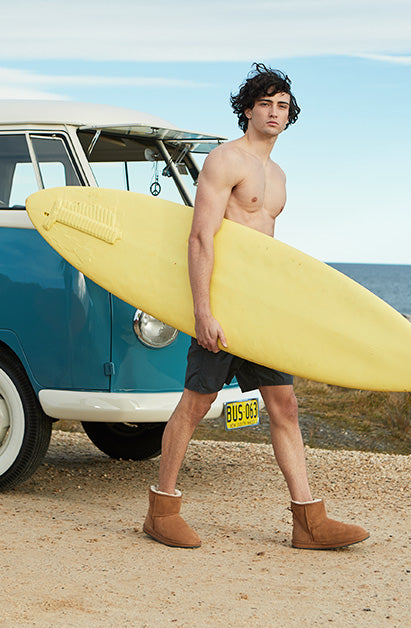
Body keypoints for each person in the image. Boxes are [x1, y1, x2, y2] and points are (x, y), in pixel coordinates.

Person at [143, 64, 369, 550]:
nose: (273, 112)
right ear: (247, 109)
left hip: (260, 309)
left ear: (290, 116)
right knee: (197, 403)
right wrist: (203, 311)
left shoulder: (279, 176)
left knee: (284, 405)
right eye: (264, 103)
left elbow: (265, 252)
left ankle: (308, 521)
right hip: (222, 304)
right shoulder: (226, 161)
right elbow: (201, 236)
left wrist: (284, 307)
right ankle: (162, 509)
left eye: (282, 105)